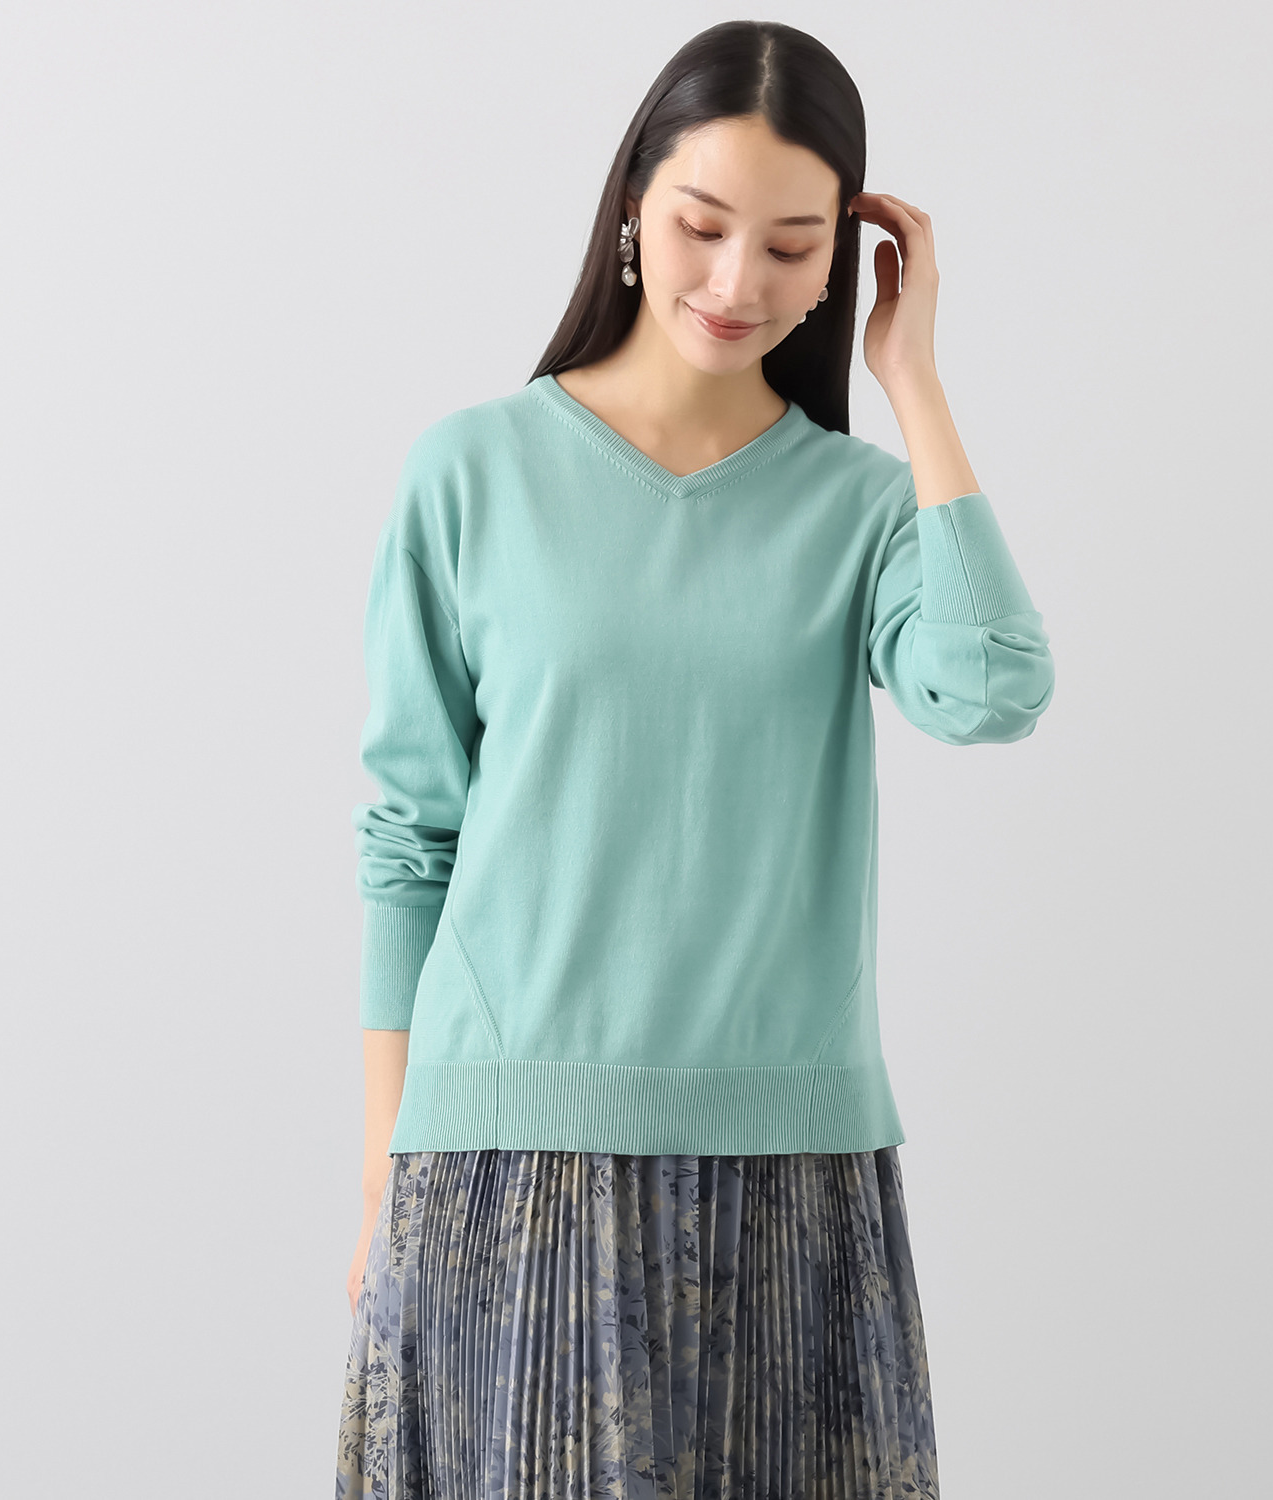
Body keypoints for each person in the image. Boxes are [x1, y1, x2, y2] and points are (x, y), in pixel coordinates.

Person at [335, 19, 1054, 1499]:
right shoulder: (470, 473)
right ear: (630, 209)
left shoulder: (861, 511)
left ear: (843, 261)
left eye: (792, 247)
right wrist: (381, 1173)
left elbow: (990, 689)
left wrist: (915, 385)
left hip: (790, 1183)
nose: (738, 285)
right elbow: (410, 842)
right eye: (701, 227)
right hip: (502, 1173)